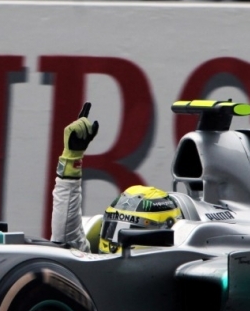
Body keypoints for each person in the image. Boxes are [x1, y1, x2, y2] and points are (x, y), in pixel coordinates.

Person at [51, 103, 183, 253]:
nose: (115, 242)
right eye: (112, 229)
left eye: (130, 231)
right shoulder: (96, 263)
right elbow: (65, 242)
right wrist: (71, 160)